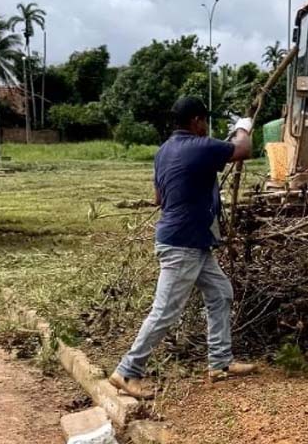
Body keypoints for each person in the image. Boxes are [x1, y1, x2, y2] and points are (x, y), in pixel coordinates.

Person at [108, 97, 257, 400]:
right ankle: (127, 370)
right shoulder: (200, 146)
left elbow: (158, 199)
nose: (206, 127)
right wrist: (243, 127)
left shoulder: (164, 151)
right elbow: (244, 149)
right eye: (204, 121)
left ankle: (220, 363)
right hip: (183, 244)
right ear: (196, 121)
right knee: (165, 311)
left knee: (220, 293)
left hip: (192, 241)